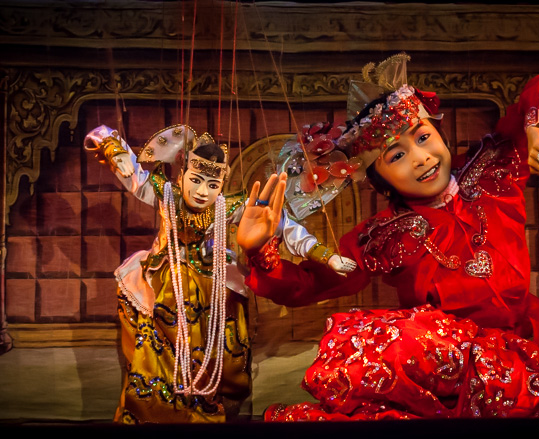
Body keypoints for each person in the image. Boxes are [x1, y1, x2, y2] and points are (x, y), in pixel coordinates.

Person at [236, 54, 539, 420]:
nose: (420, 158)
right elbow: (309, 284)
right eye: (397, 155)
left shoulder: (492, 168)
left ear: (439, 132)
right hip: (450, 366)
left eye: (423, 137)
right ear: (379, 178)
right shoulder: (384, 235)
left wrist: (535, 131)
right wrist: (261, 250)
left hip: (525, 341)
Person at [83, 124, 355, 424]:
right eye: (196, 180)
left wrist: (326, 257)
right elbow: (132, 173)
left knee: (219, 343)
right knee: (153, 341)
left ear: (221, 185)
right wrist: (107, 140)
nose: (202, 192)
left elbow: (284, 227)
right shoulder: (165, 193)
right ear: (182, 175)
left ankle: (208, 401)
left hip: (213, 283)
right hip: (164, 278)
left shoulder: (229, 206)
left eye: (212, 185)